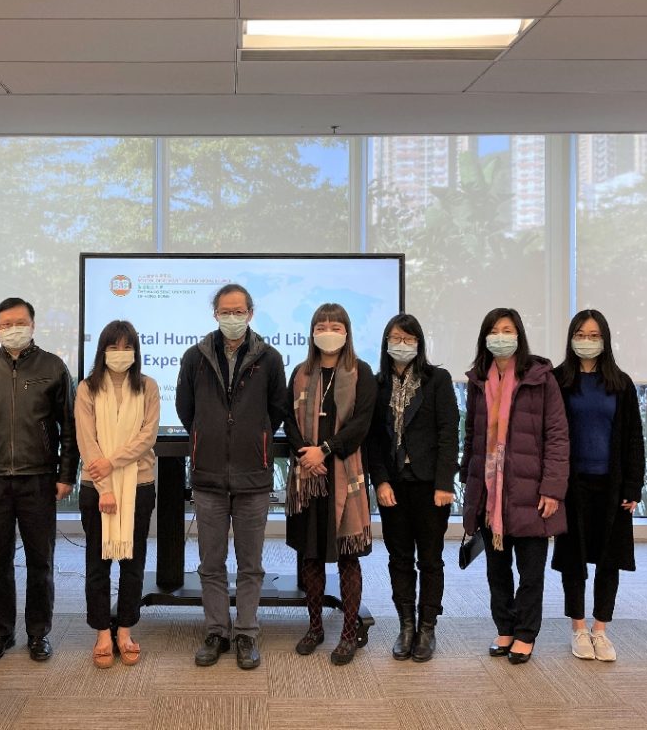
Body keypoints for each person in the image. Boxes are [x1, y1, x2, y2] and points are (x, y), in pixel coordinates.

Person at [0, 297, 77, 665]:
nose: (14, 329)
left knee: (41, 561)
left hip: (39, 479)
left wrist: (66, 474)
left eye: (20, 322)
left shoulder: (53, 367)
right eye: (6, 324)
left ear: (33, 325)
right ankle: (0, 634)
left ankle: (38, 634)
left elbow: (69, 428)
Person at [176, 283, 286, 671]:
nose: (232, 317)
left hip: (253, 476)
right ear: (215, 314)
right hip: (207, 477)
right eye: (226, 311)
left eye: (239, 311)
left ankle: (247, 634)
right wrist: (208, 438)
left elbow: (277, 410)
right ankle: (216, 632)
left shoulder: (269, 359)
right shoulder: (195, 357)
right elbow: (185, 410)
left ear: (250, 313)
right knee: (211, 562)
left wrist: (249, 440)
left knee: (251, 563)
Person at [461, 307, 568, 665]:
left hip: (530, 490)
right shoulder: (478, 380)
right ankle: (504, 627)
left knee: (531, 570)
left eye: (507, 329)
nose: (500, 336)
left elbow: (557, 435)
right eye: (494, 330)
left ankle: (525, 633)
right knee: (496, 568)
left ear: (519, 335)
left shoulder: (541, 378)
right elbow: (472, 435)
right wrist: (469, 480)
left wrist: (552, 488)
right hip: (490, 494)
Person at [284, 303, 376, 666]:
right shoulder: (301, 372)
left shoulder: (361, 372)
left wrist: (324, 450)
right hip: (308, 478)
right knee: (310, 556)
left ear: (347, 331)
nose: (327, 330)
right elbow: (286, 420)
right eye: (321, 325)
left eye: (335, 325)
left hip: (342, 477)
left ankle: (349, 632)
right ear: (311, 331)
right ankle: (315, 627)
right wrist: (304, 453)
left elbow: (361, 424)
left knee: (347, 558)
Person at [551, 310, 645, 663]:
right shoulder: (558, 380)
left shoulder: (620, 382)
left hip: (612, 484)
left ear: (604, 339)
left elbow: (635, 438)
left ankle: (601, 630)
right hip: (571, 485)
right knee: (573, 559)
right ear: (571, 338)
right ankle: (578, 628)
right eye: (580, 334)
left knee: (610, 559)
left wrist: (633, 486)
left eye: (593, 335)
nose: (586, 341)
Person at [366, 313, 458, 662]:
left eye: (408, 339)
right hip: (394, 486)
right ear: (386, 344)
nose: (401, 345)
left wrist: (444, 483)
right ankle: (407, 625)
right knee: (399, 558)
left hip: (430, 486)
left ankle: (428, 627)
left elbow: (450, 433)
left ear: (418, 343)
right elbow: (373, 439)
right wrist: (381, 481)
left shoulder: (438, 379)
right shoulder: (377, 385)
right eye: (395, 338)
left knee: (430, 559)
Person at [75, 320, 159, 669]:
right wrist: (104, 486)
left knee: (132, 564)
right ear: (103, 350)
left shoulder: (149, 387)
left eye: (127, 347)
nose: (120, 353)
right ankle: (102, 634)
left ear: (136, 351)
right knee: (97, 565)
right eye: (113, 346)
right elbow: (86, 439)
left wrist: (110, 462)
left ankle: (124, 629)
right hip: (96, 488)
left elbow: (147, 436)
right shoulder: (87, 388)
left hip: (139, 485)